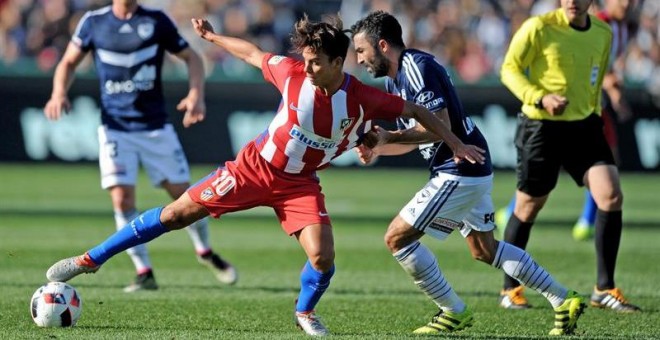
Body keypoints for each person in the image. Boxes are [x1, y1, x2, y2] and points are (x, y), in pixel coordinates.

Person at [45, 14, 486, 336]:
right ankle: (89, 260)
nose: (308, 68)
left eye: (316, 62)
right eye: (306, 60)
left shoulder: (363, 98)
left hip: (299, 186)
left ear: (337, 62)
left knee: (323, 259)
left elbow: (416, 109)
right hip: (253, 169)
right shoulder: (293, 73)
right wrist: (213, 36)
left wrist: (454, 141)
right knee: (176, 215)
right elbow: (254, 53)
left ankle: (305, 312)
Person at [350, 10, 586, 336]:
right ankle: (563, 298)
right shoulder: (396, 78)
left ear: (382, 45)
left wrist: (389, 137)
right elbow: (415, 136)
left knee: (396, 237)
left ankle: (454, 311)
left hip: (458, 170)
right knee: (484, 250)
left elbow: (438, 127)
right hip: (468, 167)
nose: (359, 59)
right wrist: (381, 146)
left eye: (361, 51)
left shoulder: (415, 68)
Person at [43, 0, 237, 293]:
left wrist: (196, 94)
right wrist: (59, 92)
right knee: (122, 199)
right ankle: (144, 272)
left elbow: (192, 58)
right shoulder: (93, 22)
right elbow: (68, 61)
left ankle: (204, 251)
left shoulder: (156, 20)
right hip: (115, 128)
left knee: (185, 198)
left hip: (155, 127)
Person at [497, 0, 640, 312]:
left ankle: (604, 288)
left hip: (584, 126)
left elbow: (596, 75)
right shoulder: (539, 27)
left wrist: (595, 111)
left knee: (611, 194)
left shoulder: (602, 32)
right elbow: (508, 69)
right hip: (541, 126)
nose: (573, 1)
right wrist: (540, 96)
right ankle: (510, 289)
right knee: (528, 205)